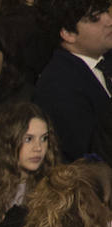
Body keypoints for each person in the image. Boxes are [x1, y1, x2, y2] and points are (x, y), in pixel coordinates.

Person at [33, 0, 112, 163]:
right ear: (68, 34)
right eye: (95, 18)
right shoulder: (57, 87)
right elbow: (89, 159)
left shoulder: (105, 58)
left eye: (106, 10)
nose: (109, 20)